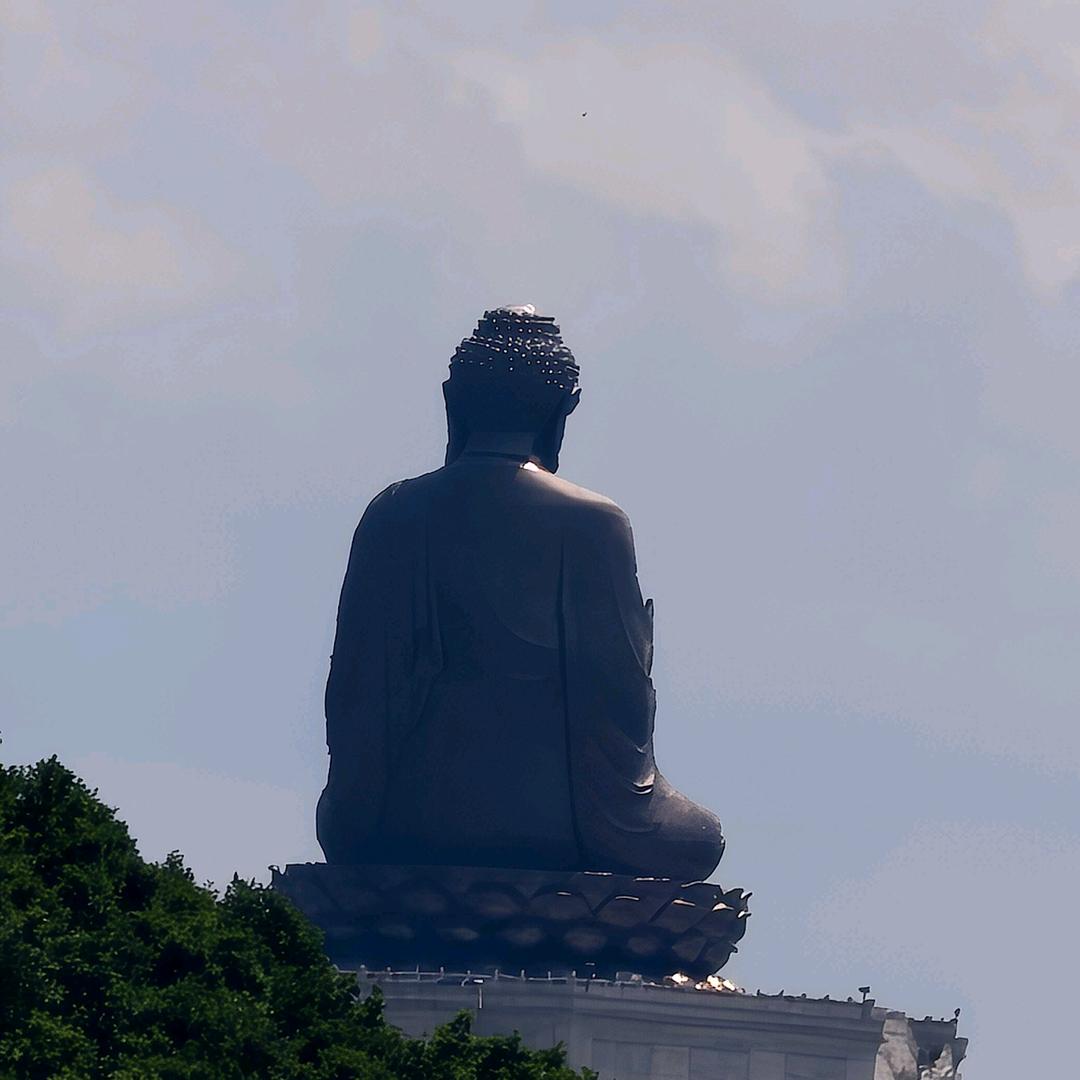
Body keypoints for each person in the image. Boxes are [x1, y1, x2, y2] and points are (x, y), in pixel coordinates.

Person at [316, 305, 724, 881]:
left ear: (453, 402)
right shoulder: (592, 523)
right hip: (562, 828)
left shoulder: (392, 514)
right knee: (701, 839)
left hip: (398, 829)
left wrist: (360, 805)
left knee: (343, 831)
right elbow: (617, 713)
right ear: (562, 409)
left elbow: (356, 702)